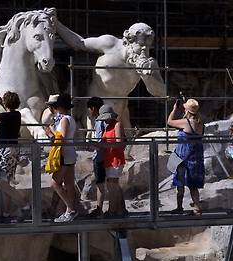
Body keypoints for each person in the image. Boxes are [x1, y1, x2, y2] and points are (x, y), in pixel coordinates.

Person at [55, 20, 166, 158]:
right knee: (94, 149)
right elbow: (79, 43)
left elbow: (161, 94)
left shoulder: (149, 63)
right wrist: (56, 24)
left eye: (148, 46)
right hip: (95, 107)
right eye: (141, 45)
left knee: (121, 151)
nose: (144, 50)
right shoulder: (110, 44)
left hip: (120, 109)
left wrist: (147, 77)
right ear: (128, 42)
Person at [0, 91, 30, 223]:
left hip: (6, 151)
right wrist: (1, 102)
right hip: (10, 150)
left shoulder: (5, 116)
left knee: (2, 183)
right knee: (5, 181)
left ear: (6, 103)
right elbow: (8, 114)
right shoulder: (16, 115)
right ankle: (7, 213)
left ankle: (24, 205)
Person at [167, 98, 205, 215]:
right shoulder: (200, 123)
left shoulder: (187, 122)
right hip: (195, 155)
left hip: (183, 155)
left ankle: (181, 207)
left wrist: (174, 110)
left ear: (186, 110)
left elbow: (169, 121)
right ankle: (197, 207)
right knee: (192, 184)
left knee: (180, 182)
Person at [46, 93, 78, 223]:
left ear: (59, 106)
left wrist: (49, 133)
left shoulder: (64, 119)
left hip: (64, 154)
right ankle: (70, 211)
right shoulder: (70, 118)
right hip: (69, 153)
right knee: (69, 184)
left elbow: (62, 137)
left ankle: (70, 209)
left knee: (55, 183)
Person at [96, 105, 127, 217]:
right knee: (113, 185)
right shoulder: (107, 126)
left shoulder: (117, 125)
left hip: (116, 158)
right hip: (109, 158)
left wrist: (105, 145)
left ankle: (112, 211)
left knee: (112, 185)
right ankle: (120, 210)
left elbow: (119, 142)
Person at [85, 96, 107, 217]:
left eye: (89, 109)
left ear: (93, 108)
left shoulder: (100, 121)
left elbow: (100, 141)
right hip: (100, 155)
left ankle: (99, 209)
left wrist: (89, 143)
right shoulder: (101, 121)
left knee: (100, 183)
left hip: (100, 156)